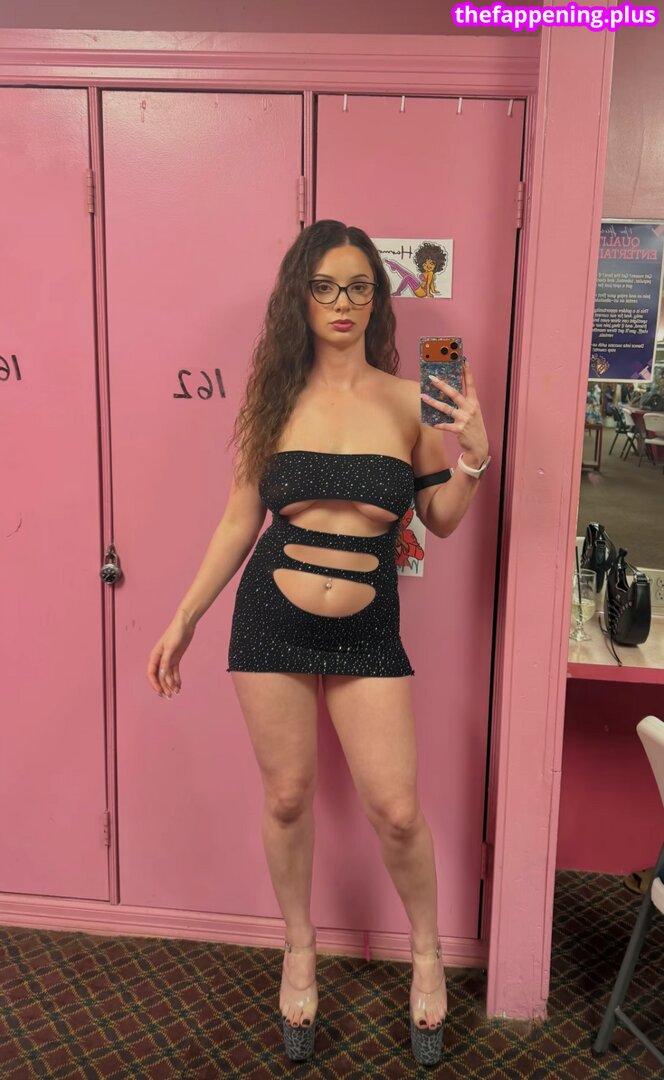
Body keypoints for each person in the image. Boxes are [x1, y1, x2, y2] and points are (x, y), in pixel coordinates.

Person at [147, 220, 490, 1066]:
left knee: (397, 809)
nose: (343, 303)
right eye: (326, 286)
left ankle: (426, 955)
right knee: (289, 797)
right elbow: (240, 521)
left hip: (369, 629)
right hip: (271, 620)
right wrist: (186, 616)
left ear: (378, 299)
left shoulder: (416, 397)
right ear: (299, 297)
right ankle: (298, 949)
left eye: (359, 287)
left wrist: (474, 459)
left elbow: (441, 520)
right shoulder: (272, 398)